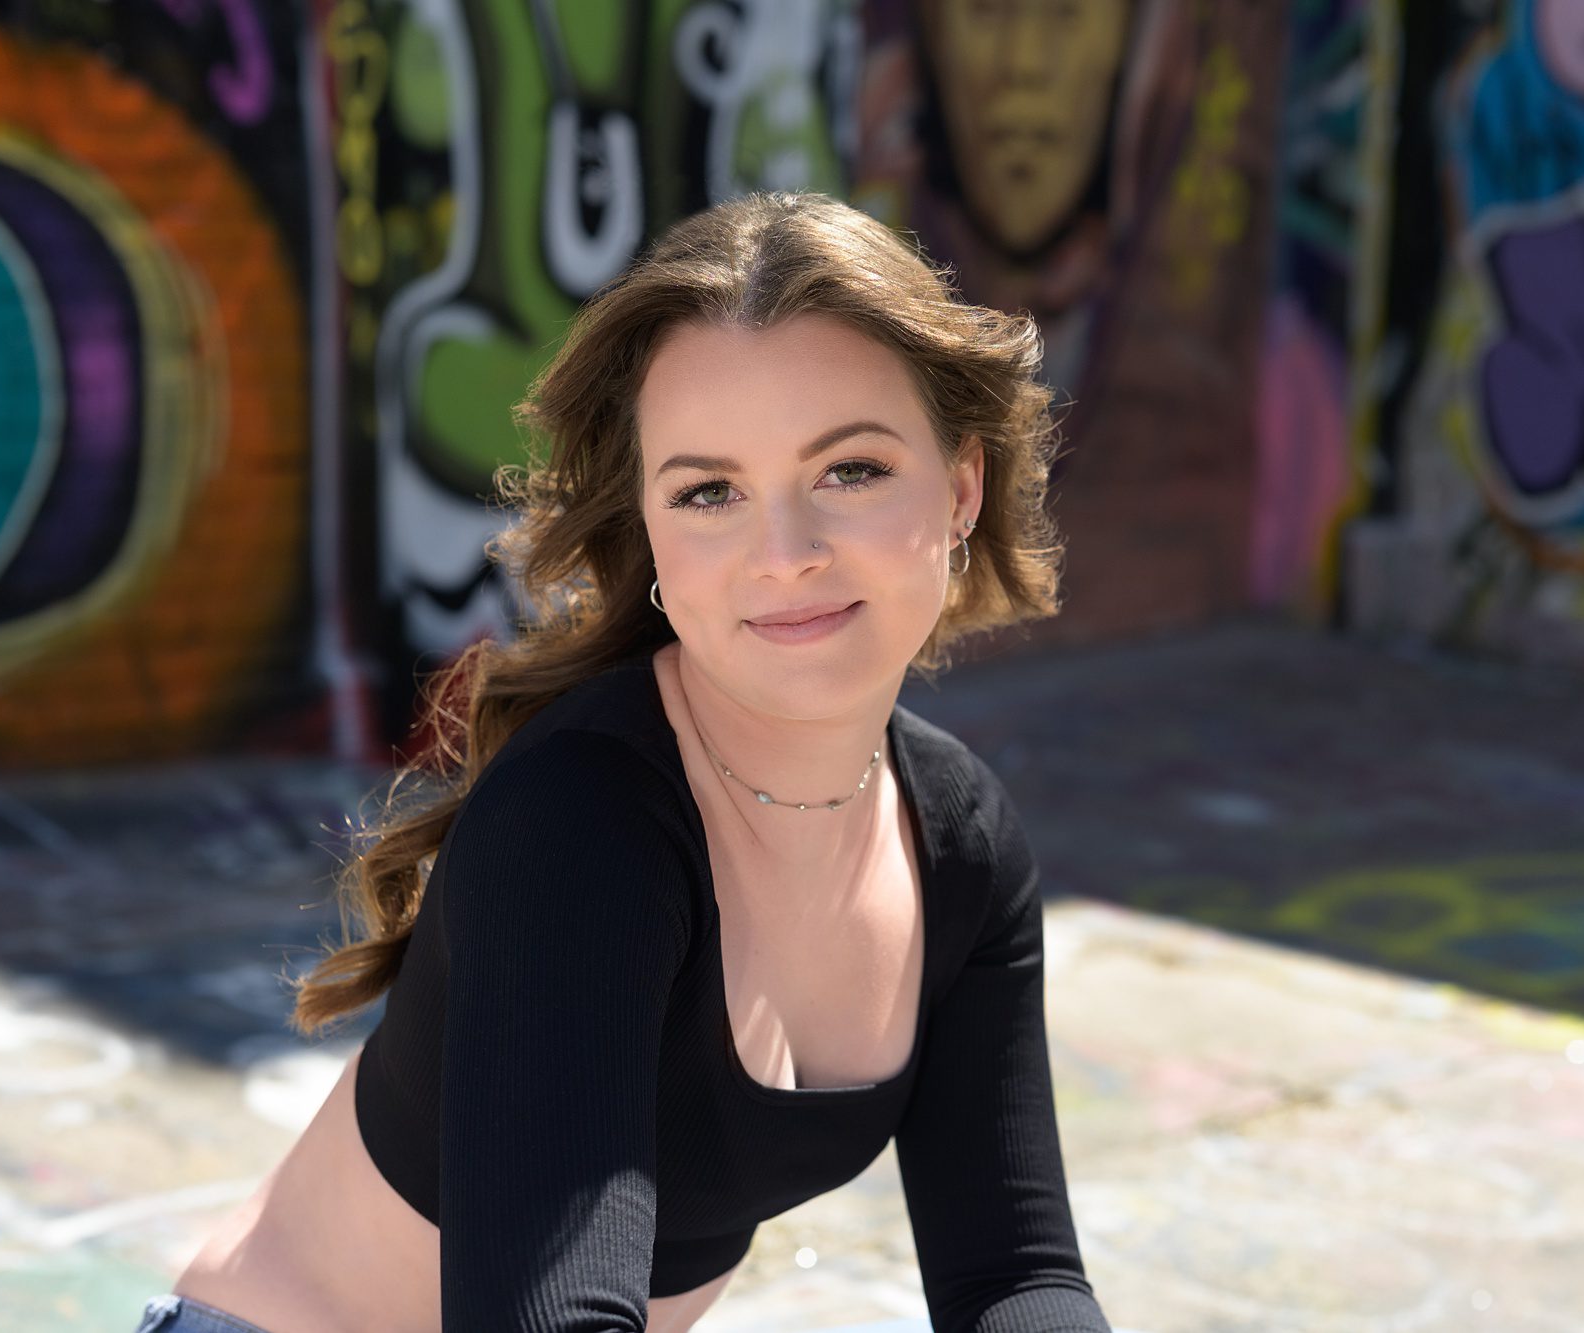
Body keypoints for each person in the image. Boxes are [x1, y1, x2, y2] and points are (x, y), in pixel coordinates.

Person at [136, 190, 1109, 1332]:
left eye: (848, 470)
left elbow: (1015, 1278)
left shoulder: (958, 844)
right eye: (709, 492)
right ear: (651, 536)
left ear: (959, 488)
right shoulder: (579, 826)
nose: (783, 553)